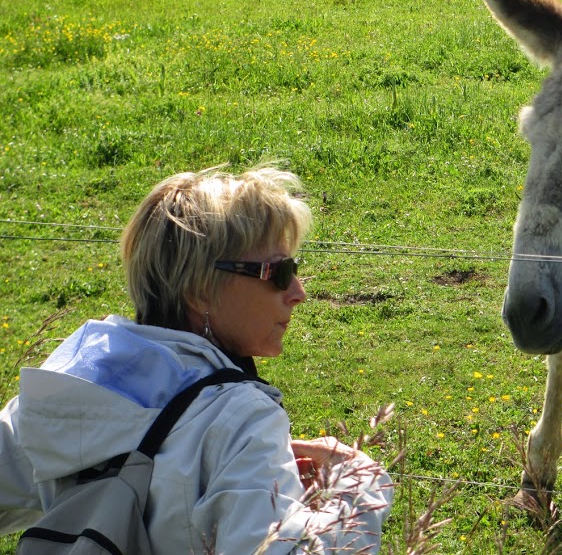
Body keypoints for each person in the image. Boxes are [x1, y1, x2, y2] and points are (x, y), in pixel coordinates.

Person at [0, 166, 393, 554]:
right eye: (278, 272)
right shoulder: (239, 419)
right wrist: (358, 490)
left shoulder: (75, 385)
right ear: (201, 288)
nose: (298, 291)